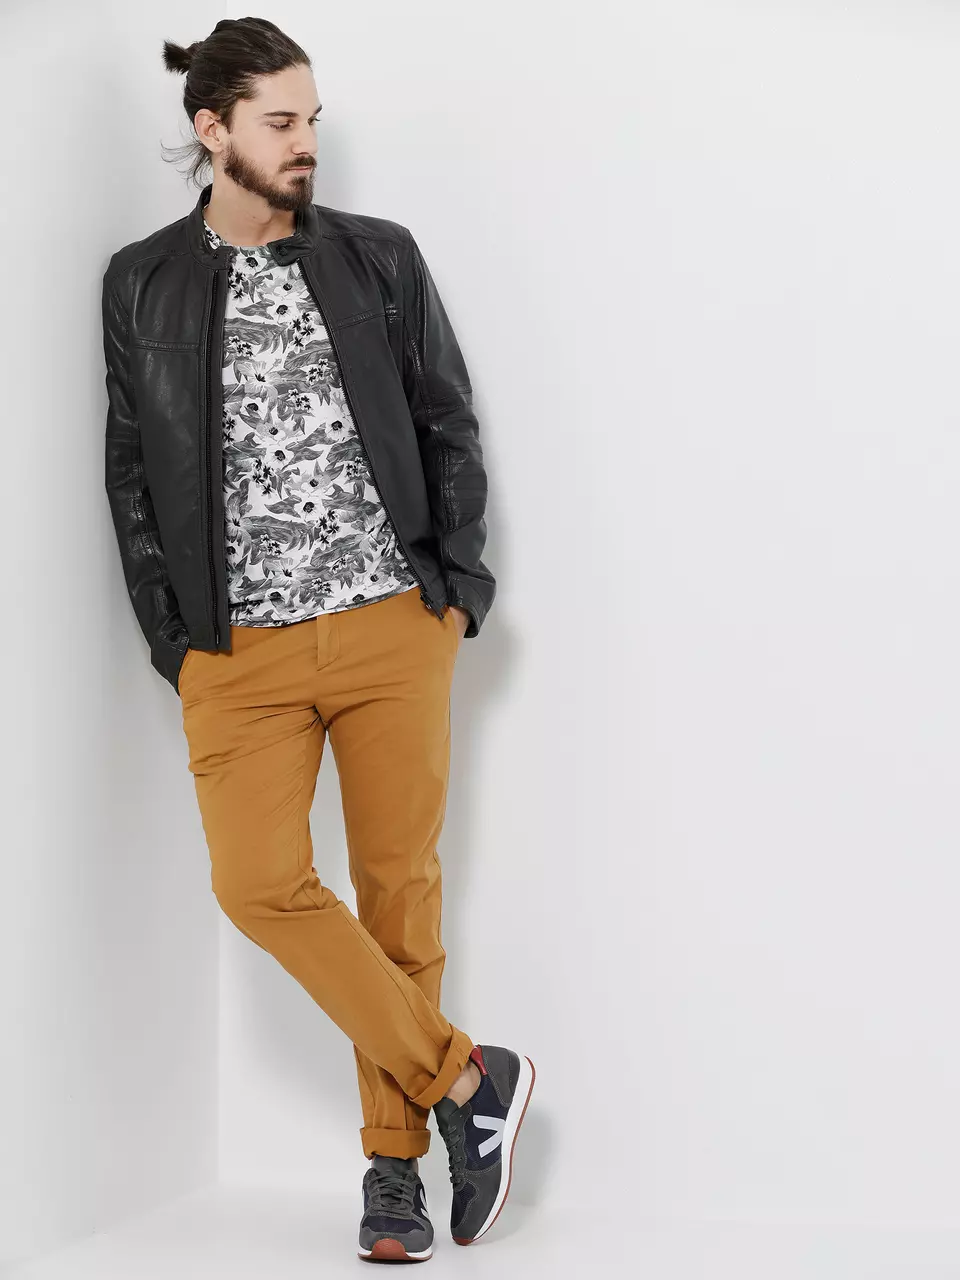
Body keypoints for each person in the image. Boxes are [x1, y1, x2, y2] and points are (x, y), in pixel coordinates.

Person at [100, 15, 535, 1264]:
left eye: (311, 121)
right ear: (213, 129)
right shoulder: (142, 282)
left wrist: (454, 591)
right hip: (238, 654)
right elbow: (131, 473)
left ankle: (394, 1172)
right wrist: (177, 642)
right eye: (279, 123)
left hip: (392, 622)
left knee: (399, 892)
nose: (304, 144)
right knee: (259, 883)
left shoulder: (377, 257)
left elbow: (447, 421)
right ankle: (470, 1078)